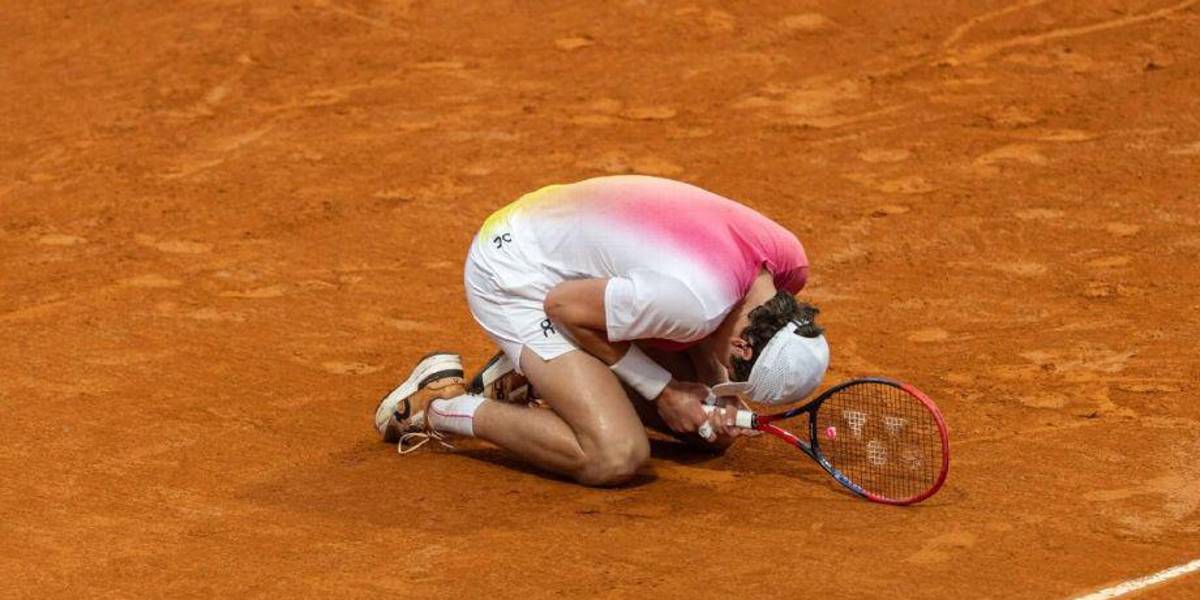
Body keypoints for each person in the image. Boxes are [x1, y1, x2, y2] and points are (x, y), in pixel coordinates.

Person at [373, 175, 829, 486]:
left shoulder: (787, 263)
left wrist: (720, 394)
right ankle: (440, 405)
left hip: (578, 255)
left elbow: (708, 326)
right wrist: (665, 392)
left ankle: (534, 375)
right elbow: (563, 305)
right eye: (736, 369)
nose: (729, 377)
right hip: (518, 274)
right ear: (743, 343)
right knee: (615, 454)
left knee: (710, 431)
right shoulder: (692, 305)